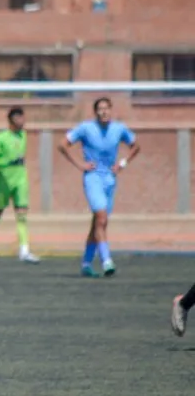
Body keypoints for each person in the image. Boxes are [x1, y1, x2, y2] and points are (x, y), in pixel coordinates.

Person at [57, 97, 141, 277]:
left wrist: (122, 163)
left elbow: (136, 146)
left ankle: (86, 263)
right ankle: (107, 260)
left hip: (110, 179)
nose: (104, 112)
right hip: (93, 177)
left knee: (99, 222)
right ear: (95, 112)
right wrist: (80, 164)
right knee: (101, 218)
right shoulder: (86, 128)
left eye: (107, 109)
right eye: (100, 109)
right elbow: (62, 144)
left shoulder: (118, 129)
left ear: (111, 110)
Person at [0, 107, 39, 264]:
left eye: (23, 118)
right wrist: (8, 162)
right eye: (19, 118)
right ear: (11, 120)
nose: (22, 121)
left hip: (20, 180)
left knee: (21, 214)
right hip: (4, 182)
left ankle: (24, 250)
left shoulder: (23, 135)